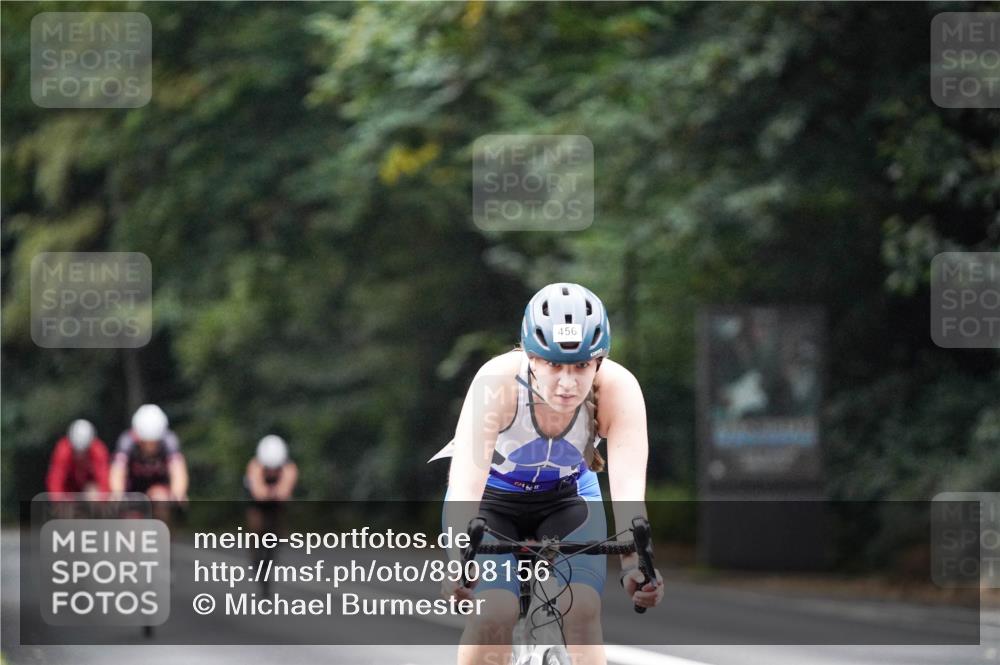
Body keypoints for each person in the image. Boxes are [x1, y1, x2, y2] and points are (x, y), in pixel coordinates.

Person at [433, 283, 664, 665]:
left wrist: (634, 564)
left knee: (583, 609)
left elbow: (627, 492)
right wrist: (459, 557)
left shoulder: (619, 389)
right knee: (494, 612)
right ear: (529, 357)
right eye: (554, 364)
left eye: (581, 366)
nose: (568, 382)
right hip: (492, 502)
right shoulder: (497, 382)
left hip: (568, 498)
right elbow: (465, 484)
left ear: (599, 362)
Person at [109, 404, 189, 518]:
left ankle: (164, 533)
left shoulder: (169, 441)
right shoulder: (127, 441)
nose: (150, 447)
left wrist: (179, 492)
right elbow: (117, 471)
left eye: (154, 442)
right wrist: (117, 493)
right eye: (146, 442)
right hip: (133, 489)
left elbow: (178, 469)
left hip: (159, 487)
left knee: (161, 500)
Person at [244, 435, 298, 592]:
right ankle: (254, 554)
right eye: (270, 468)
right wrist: (270, 493)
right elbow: (258, 493)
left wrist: (277, 494)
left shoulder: (289, 468)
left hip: (276, 502)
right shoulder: (255, 466)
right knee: (256, 526)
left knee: (278, 526)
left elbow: (285, 490)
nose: (273, 471)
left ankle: (273, 548)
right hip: (257, 501)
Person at [46, 419, 111, 500]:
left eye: (84, 451)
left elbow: (104, 480)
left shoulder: (98, 451)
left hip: (88, 489)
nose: (80, 456)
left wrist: (102, 500)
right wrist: (58, 502)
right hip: (69, 490)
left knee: (94, 494)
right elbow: (55, 480)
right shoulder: (62, 451)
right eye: (76, 451)